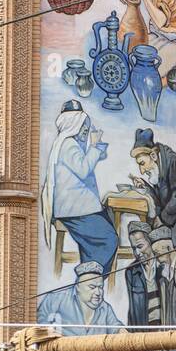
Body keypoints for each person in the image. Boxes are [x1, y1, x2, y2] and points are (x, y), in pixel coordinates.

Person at [41, 99, 118, 276]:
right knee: (110, 239)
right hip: (75, 211)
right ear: (73, 124)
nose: (86, 130)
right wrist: (95, 146)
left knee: (104, 228)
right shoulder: (68, 144)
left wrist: (96, 147)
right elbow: (84, 169)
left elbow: (96, 158)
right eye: (83, 125)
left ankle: (89, 276)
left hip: (80, 209)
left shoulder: (70, 144)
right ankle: (94, 277)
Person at [129, 130, 176, 250]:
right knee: (146, 233)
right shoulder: (158, 166)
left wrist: (161, 219)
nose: (142, 171)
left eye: (142, 163)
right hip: (170, 215)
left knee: (170, 244)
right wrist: (146, 186)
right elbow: (160, 198)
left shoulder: (172, 161)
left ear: (153, 156)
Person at [124, 222, 162, 330]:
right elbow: (133, 309)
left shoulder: (163, 265)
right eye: (133, 248)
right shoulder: (131, 271)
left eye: (140, 246)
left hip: (164, 331)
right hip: (143, 333)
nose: (137, 253)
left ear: (150, 242)